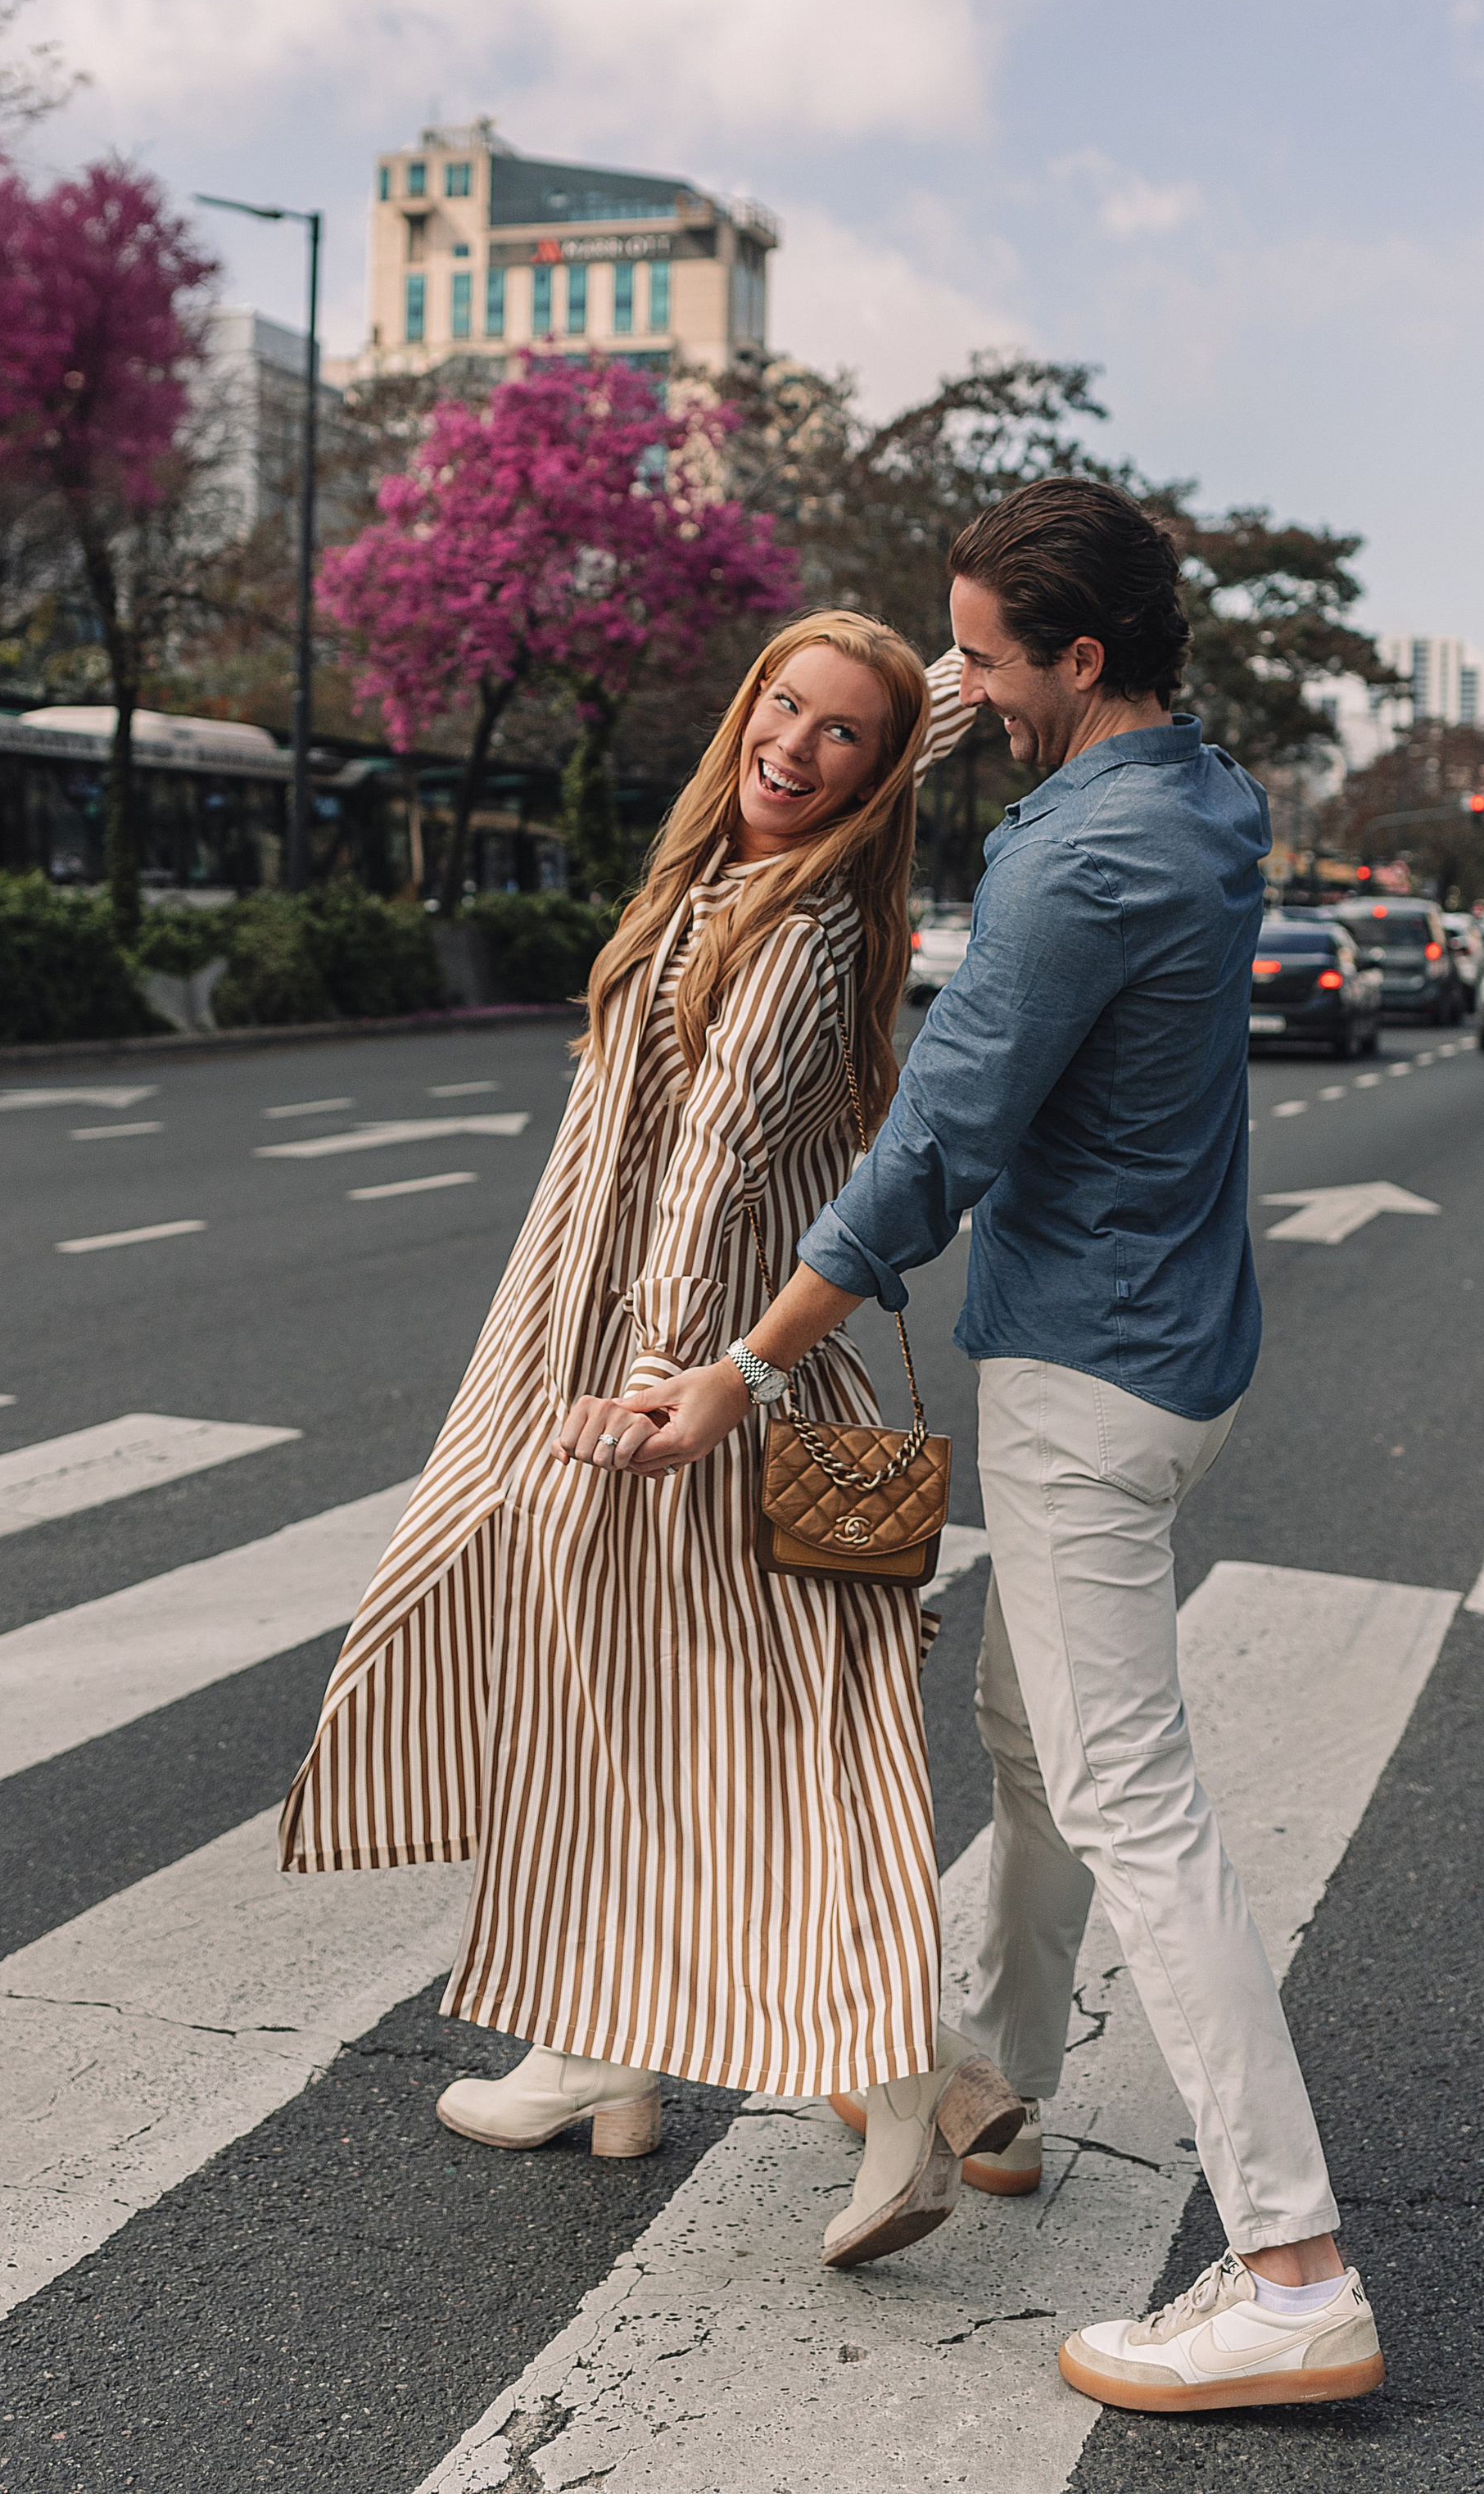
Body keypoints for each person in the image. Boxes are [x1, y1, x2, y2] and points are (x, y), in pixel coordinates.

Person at [586, 478, 1386, 2415]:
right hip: (1180, 1358)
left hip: (1082, 1379)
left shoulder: (1069, 868)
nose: (960, 686)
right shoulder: (1199, 793)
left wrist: (742, 1374)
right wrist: (939, 701)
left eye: (983, 658)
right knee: (1035, 1744)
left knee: (1124, 1799)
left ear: (1081, 658)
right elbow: (1020, 740)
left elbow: (930, 1146)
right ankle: (991, 2088)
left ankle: (1288, 2264)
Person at [281, 610, 1024, 2269]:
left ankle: (901, 2097)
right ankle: (604, 2052)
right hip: (602, 1360)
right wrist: (954, 679)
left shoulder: (804, 924)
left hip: (681, 1392)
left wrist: (662, 1377)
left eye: (841, 737)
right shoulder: (711, 878)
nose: (794, 745)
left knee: (764, 1753)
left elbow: (714, 1165)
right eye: (781, 704)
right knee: (605, 1701)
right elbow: (902, 712)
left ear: (870, 779)